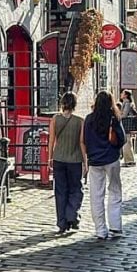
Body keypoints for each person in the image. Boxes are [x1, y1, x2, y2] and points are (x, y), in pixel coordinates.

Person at [81, 91, 126, 240]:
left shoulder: (89, 119)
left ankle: (100, 229)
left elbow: (85, 140)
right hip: (111, 159)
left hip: (95, 161)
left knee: (96, 195)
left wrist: (89, 156)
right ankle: (115, 226)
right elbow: (122, 139)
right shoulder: (114, 118)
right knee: (114, 191)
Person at [49, 92, 86, 234]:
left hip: (59, 159)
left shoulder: (55, 119)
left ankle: (62, 222)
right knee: (76, 189)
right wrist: (85, 161)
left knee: (60, 191)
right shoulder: (80, 121)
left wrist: (50, 158)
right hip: (75, 160)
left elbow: (52, 140)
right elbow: (82, 143)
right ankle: (71, 214)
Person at [118, 89, 137, 166]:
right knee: (127, 142)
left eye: (122, 93)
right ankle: (129, 160)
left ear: (126, 95)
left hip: (126, 125)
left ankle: (129, 160)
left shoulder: (127, 103)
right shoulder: (125, 103)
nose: (121, 94)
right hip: (126, 125)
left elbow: (125, 114)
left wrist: (118, 117)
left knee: (126, 142)